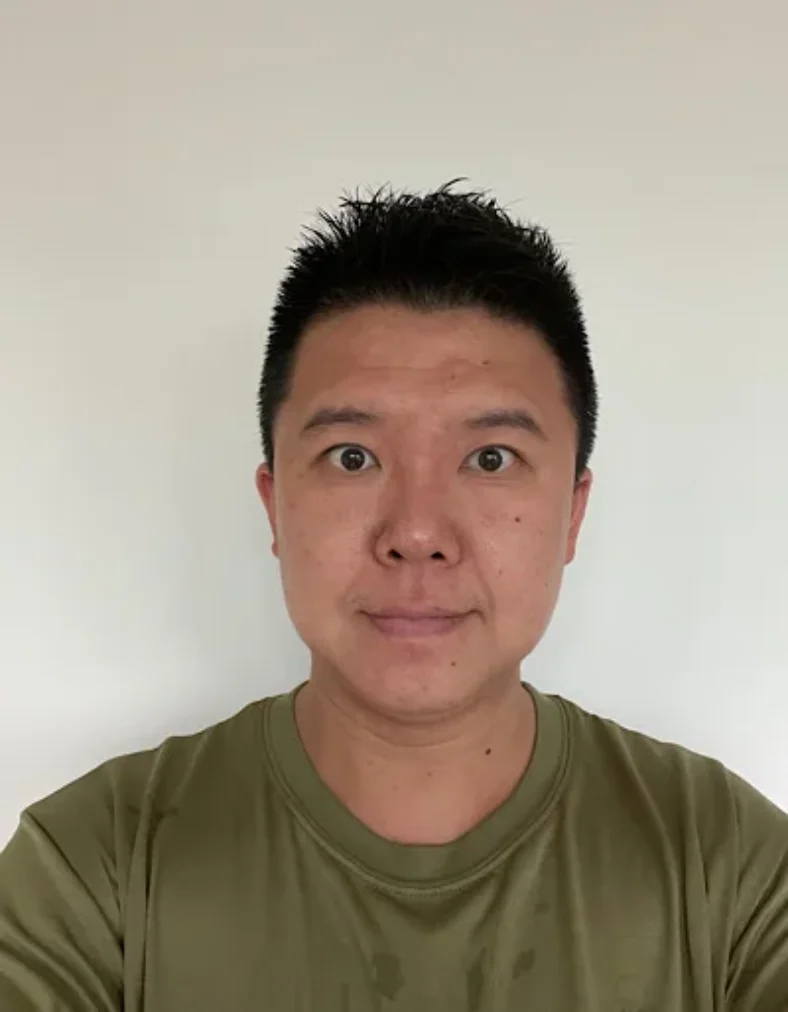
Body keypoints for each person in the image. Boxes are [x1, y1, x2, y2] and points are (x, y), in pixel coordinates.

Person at [0, 183, 786, 1012]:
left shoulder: (727, 870)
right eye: (352, 457)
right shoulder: (95, 872)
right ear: (274, 505)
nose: (416, 532)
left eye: (490, 458)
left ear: (573, 514)